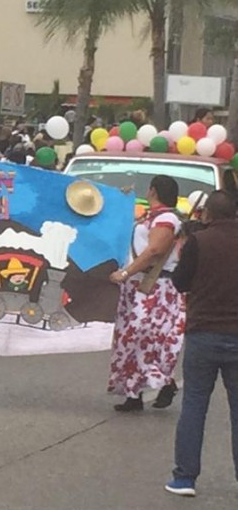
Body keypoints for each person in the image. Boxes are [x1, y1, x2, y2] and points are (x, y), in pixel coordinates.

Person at [166, 191, 238, 496]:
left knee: (195, 405)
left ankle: (185, 477)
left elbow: (180, 281)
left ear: (207, 213)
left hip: (203, 332)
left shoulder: (199, 241)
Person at [108, 175, 185, 412]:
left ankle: (165, 382)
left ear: (153, 191)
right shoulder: (150, 217)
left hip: (156, 287)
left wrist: (126, 272)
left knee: (147, 336)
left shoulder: (166, 219)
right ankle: (133, 393)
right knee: (131, 339)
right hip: (139, 288)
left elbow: (155, 250)